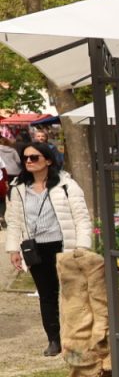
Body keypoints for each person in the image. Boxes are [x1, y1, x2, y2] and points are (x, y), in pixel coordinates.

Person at [5, 142, 91, 358]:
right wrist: (13, 249)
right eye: (25, 158)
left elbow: (82, 218)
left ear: (48, 160)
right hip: (35, 249)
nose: (29, 161)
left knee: (71, 294)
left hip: (63, 246)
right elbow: (14, 221)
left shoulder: (66, 185)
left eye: (34, 157)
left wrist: (82, 247)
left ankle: (76, 338)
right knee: (46, 295)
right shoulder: (18, 188)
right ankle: (54, 339)